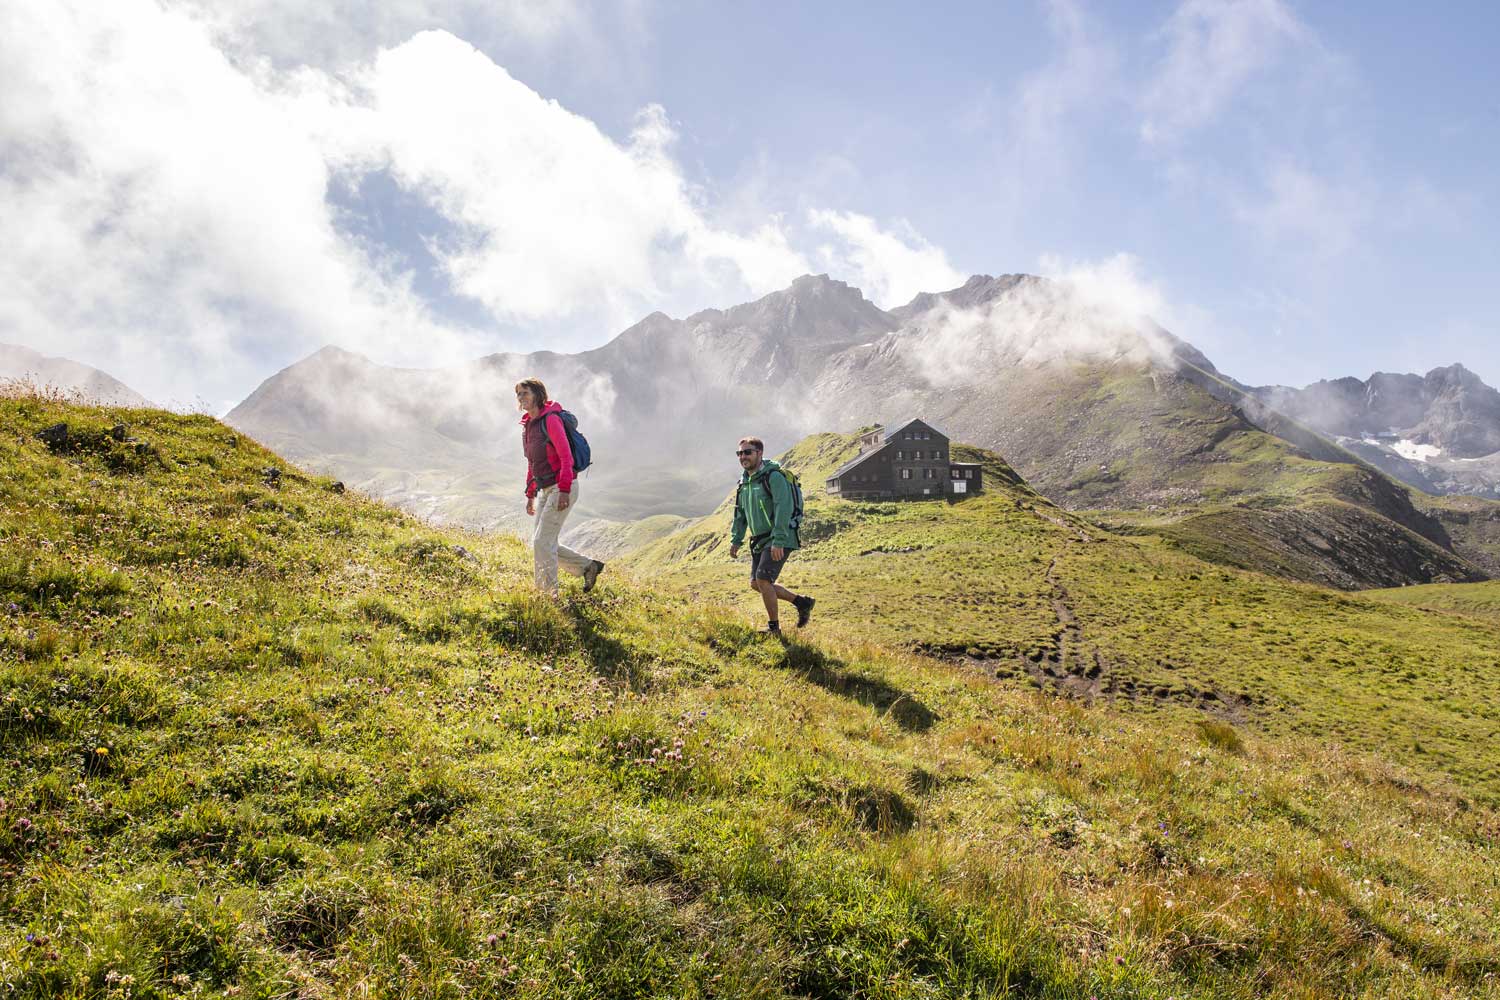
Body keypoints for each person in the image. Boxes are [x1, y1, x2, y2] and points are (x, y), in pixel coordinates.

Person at [516, 377, 604, 597]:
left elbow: (566, 458)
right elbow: (532, 462)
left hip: (562, 487)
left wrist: (564, 489)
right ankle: (587, 567)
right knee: (543, 542)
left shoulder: (551, 420)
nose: (520, 397)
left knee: (541, 542)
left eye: (524, 392)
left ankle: (548, 596)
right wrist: (530, 495)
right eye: (518, 394)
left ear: (537, 394)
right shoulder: (528, 425)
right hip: (545, 489)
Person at [728, 437, 814, 635]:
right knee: (756, 584)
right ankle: (801, 602)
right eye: (739, 453)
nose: (742, 457)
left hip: (779, 537)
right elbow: (740, 514)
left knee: (763, 579)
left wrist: (779, 540)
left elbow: (784, 508)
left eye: (747, 452)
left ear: (759, 453)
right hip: (760, 540)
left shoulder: (773, 477)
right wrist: (736, 540)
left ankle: (774, 628)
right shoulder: (744, 482)